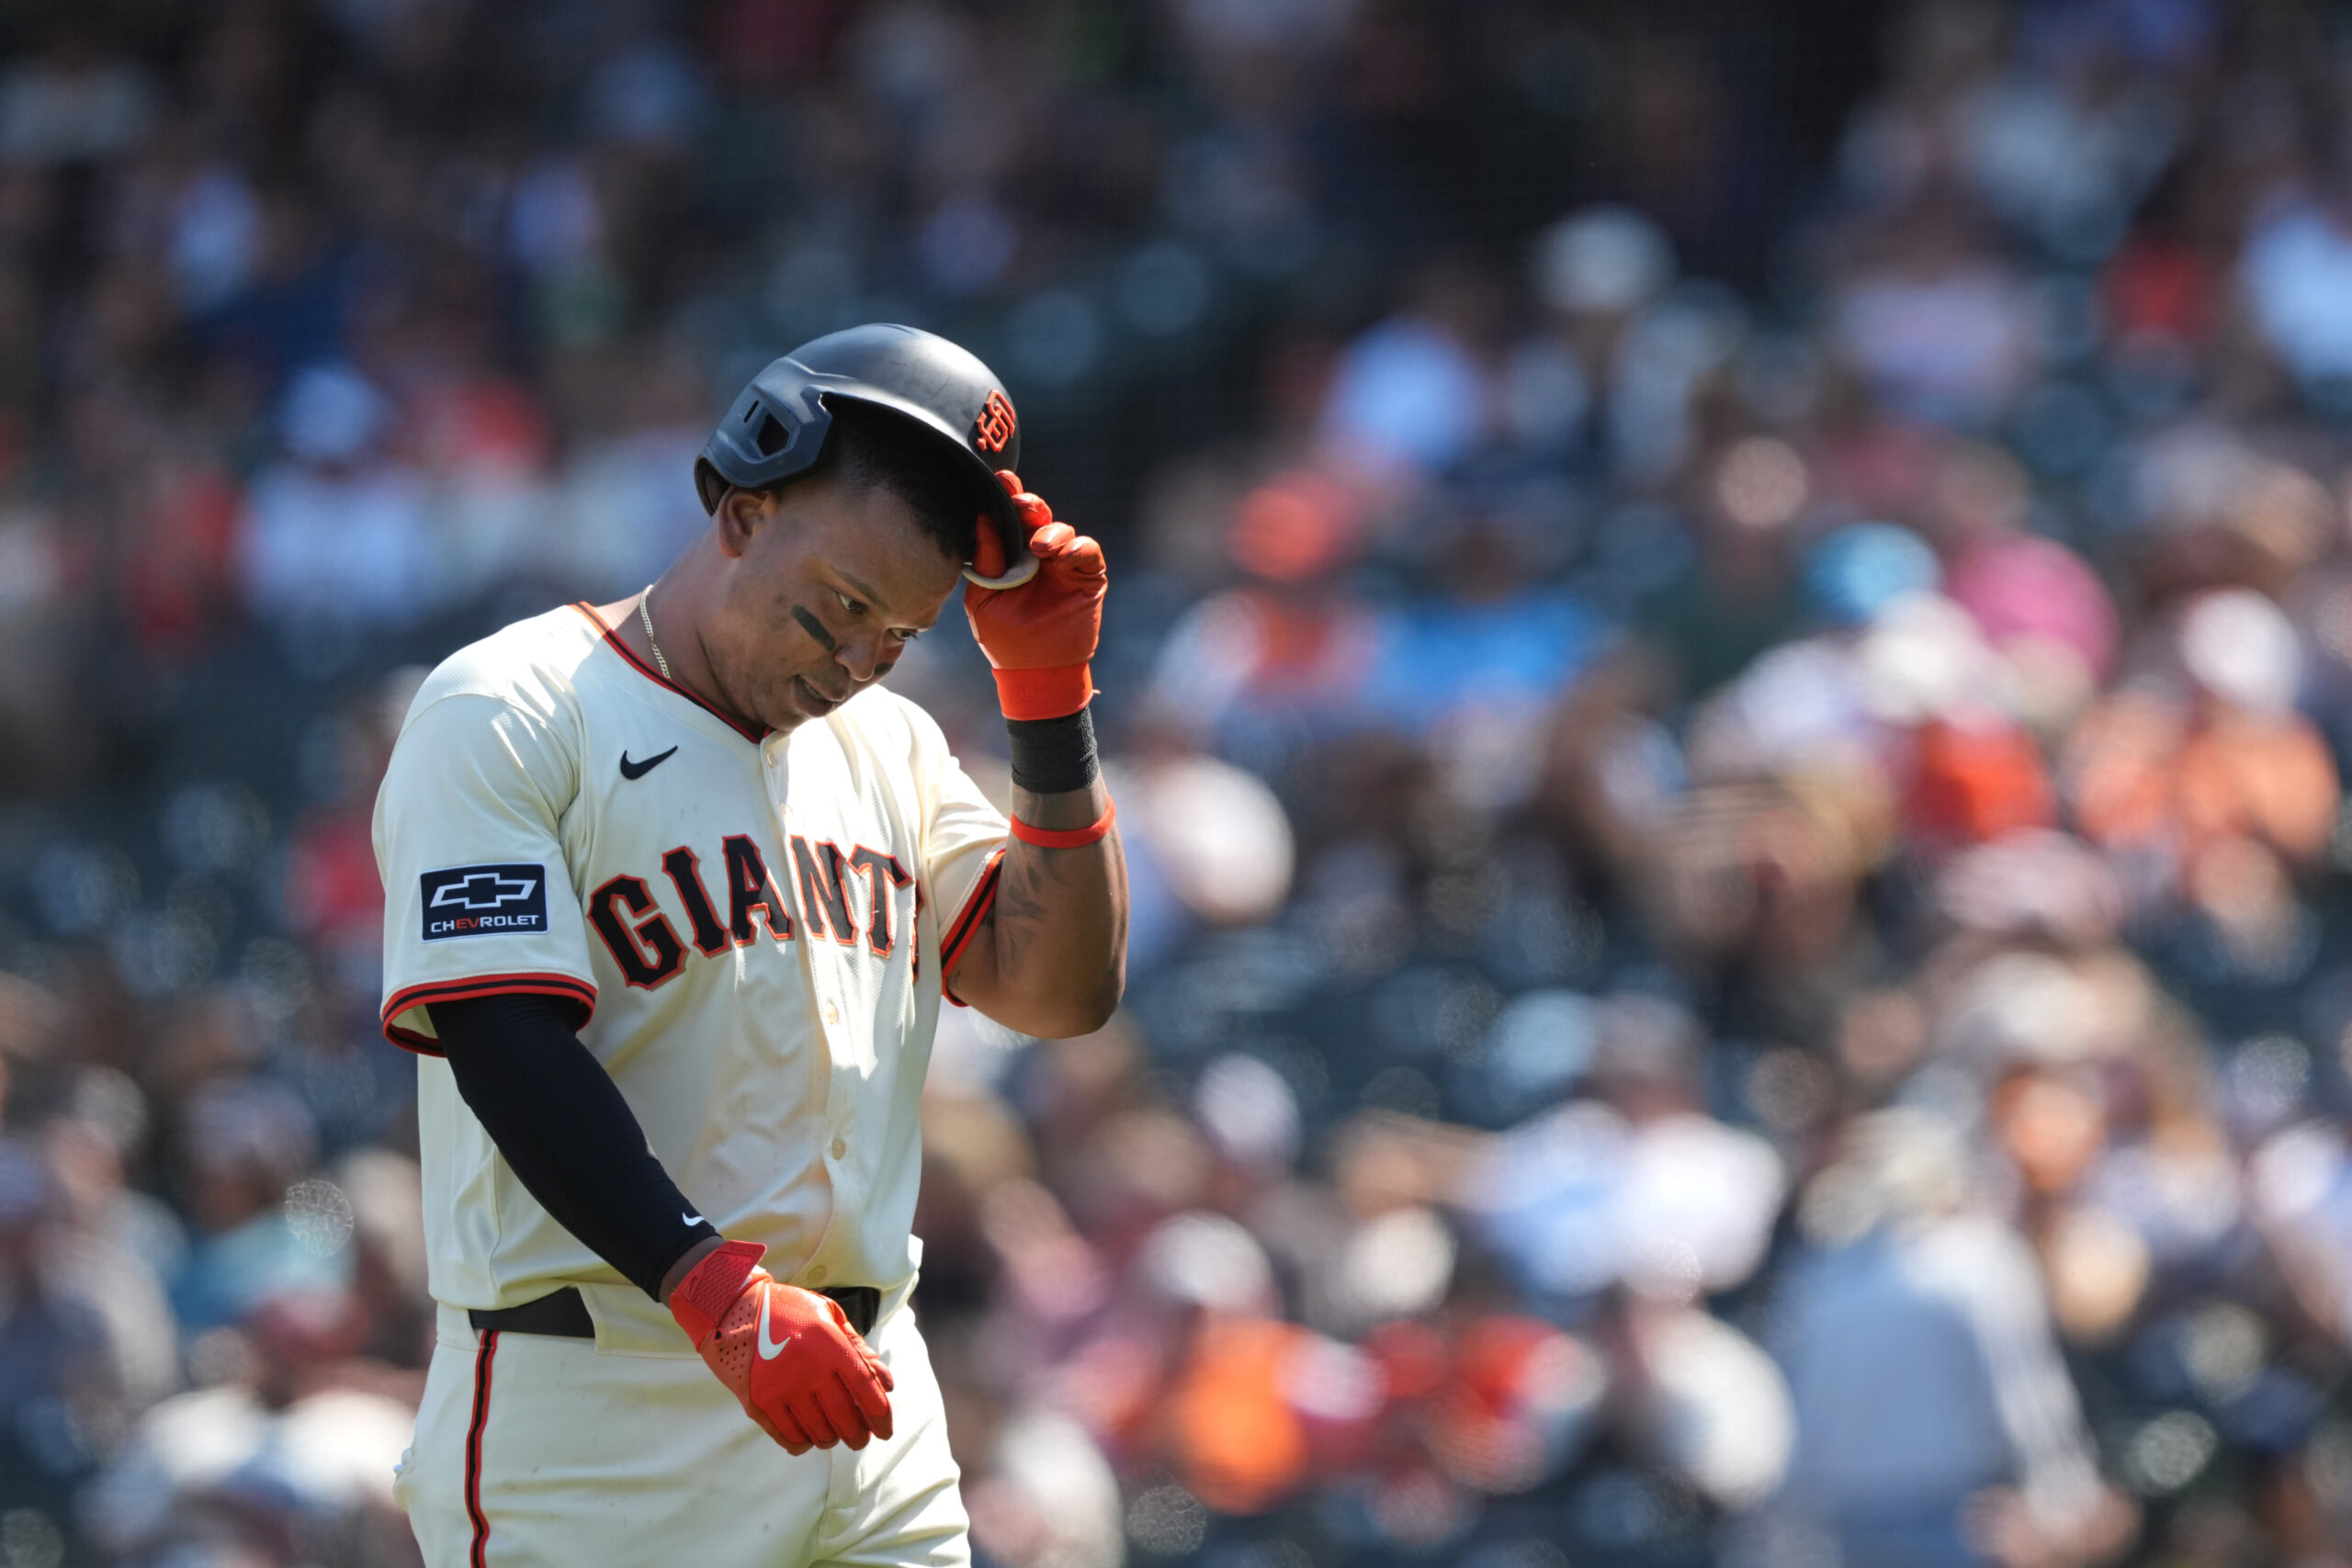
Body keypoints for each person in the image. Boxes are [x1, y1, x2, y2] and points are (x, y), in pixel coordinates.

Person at [369, 324, 1127, 1567]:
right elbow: (503, 1040)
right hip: (607, 1411)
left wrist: (1050, 706)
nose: (857, 661)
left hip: (870, 1403)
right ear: (744, 507)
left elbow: (1060, 992)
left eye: (897, 636)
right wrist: (709, 1290)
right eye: (841, 608)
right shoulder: (510, 706)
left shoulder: (889, 747)